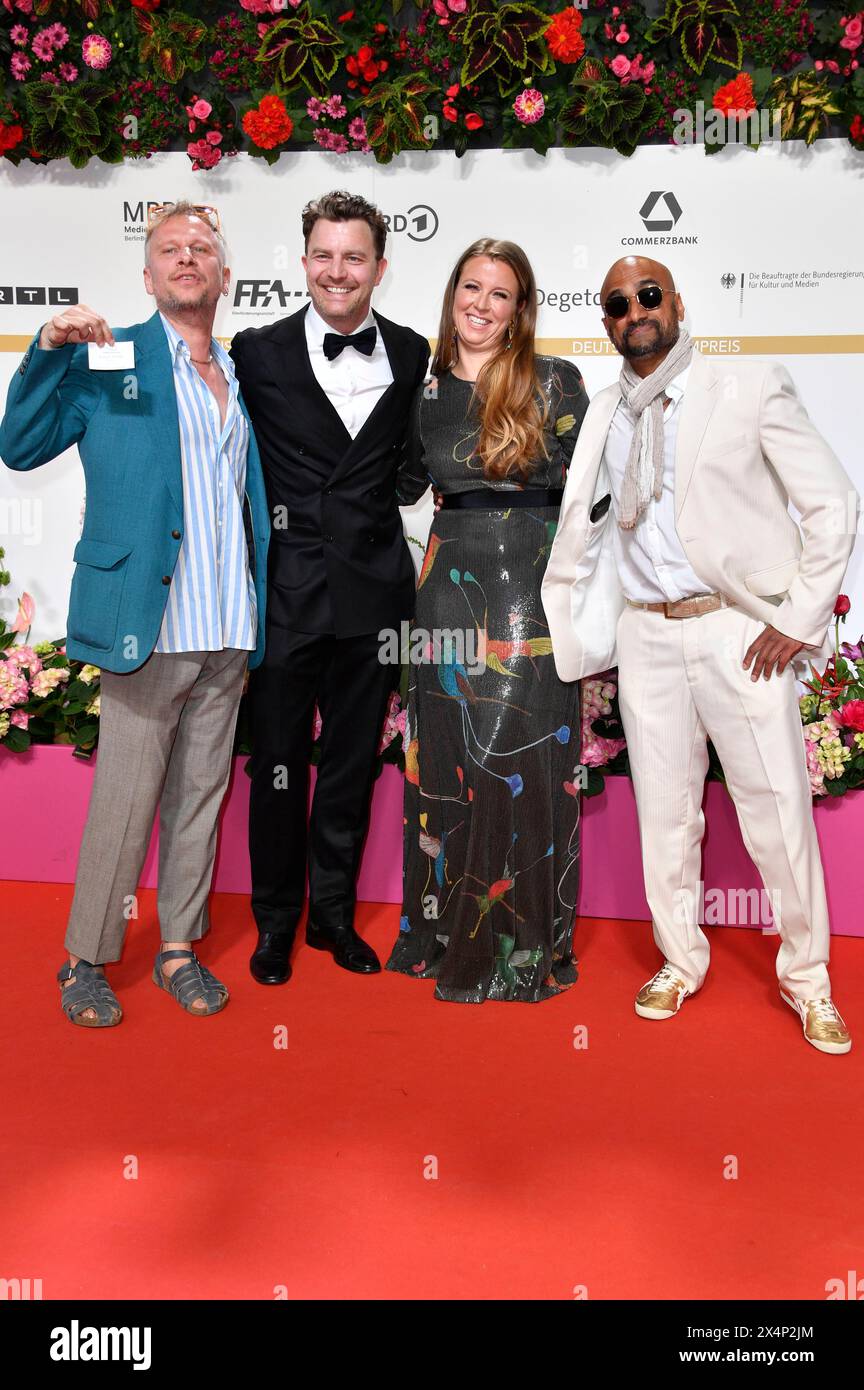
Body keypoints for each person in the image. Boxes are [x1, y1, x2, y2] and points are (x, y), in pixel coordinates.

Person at [541, 255, 857, 1054]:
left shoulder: (745, 389)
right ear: (606, 320)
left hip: (735, 630)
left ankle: (808, 980)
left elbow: (831, 502)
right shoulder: (607, 409)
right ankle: (680, 960)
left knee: (776, 809)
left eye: (648, 296)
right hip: (647, 632)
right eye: (617, 304)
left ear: (677, 303)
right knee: (667, 813)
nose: (634, 312)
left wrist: (800, 614)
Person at [0, 200, 270, 1026]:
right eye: (169, 251)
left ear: (225, 275)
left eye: (201, 249)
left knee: (199, 800)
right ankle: (83, 958)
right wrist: (46, 353)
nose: (186, 259)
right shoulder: (113, 358)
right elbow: (21, 444)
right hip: (148, 628)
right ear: (147, 275)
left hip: (228, 629)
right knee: (122, 803)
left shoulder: (234, 371)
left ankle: (180, 947)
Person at [231, 191, 430, 985]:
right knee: (277, 764)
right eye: (324, 255)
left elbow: (418, 464)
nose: (337, 271)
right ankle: (275, 922)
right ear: (303, 260)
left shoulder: (414, 353)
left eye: (354, 257)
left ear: (380, 267)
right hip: (286, 594)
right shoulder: (255, 351)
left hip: (376, 598)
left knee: (350, 765)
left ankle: (334, 919)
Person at [385, 238, 589, 1003]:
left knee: (519, 758)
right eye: (471, 287)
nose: (481, 303)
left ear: (520, 309)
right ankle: (444, 933)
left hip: (532, 595)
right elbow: (397, 481)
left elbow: (590, 497)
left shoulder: (555, 382)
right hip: (445, 596)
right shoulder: (426, 390)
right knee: (448, 767)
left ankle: (521, 943)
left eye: (499, 293)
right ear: (452, 295)